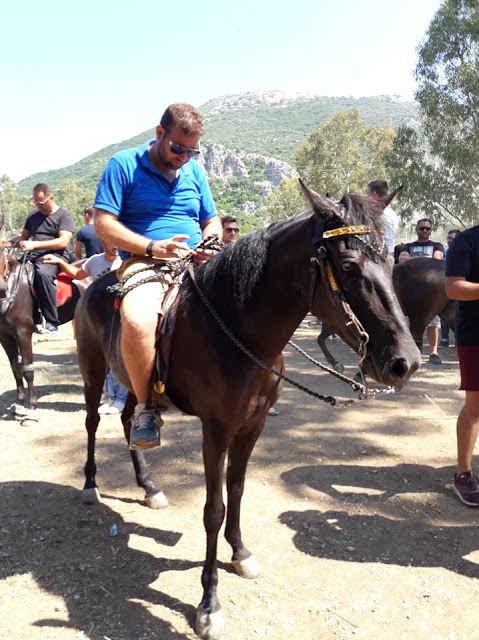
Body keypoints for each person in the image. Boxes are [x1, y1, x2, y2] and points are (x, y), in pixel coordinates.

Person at [93, 103, 222, 450]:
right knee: (137, 323)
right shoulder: (123, 164)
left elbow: (211, 218)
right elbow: (103, 223)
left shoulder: (194, 171)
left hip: (198, 261)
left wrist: (211, 242)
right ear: (159, 132)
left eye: (191, 151)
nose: (183, 157)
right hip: (145, 261)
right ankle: (146, 409)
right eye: (177, 148)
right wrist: (152, 247)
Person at [43, 241, 128, 414]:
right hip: (102, 316)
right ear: (103, 241)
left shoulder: (127, 262)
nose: (116, 245)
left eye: (119, 241)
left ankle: (122, 398)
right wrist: (60, 263)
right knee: (104, 359)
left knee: (121, 358)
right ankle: (111, 397)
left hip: (122, 315)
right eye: (112, 242)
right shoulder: (94, 262)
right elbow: (77, 274)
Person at [445, 225, 479, 506]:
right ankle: (462, 474)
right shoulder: (467, 241)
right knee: (476, 407)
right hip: (475, 335)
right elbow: (454, 287)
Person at [12, 184, 75, 334]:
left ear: (50, 198)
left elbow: (63, 242)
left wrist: (34, 245)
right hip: (33, 254)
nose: (37, 206)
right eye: (35, 202)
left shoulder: (64, 215)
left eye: (40, 203)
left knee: (43, 274)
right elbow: (24, 236)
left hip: (56, 255)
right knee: (15, 272)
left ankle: (52, 320)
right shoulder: (33, 215)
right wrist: (8, 243)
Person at [394, 219, 445, 365]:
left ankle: (433, 352)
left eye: (427, 229)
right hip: (408, 292)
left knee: (433, 323)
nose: (424, 231)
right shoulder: (404, 246)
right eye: (422, 228)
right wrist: (425, 261)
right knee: (404, 324)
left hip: (430, 291)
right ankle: (408, 352)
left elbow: (437, 259)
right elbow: (403, 259)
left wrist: (414, 261)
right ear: (416, 229)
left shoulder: (437, 245)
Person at [440, 229, 461, 348]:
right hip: (445, 288)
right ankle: (444, 339)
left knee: (459, 315)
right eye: (448, 238)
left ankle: (460, 340)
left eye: (452, 238)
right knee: (444, 314)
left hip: (461, 289)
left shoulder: (466, 253)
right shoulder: (445, 253)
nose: (449, 241)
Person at [367, 180, 399, 254]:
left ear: (374, 195)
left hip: (378, 255)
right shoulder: (393, 215)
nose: (366, 198)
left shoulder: (378, 214)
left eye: (368, 194)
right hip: (390, 253)